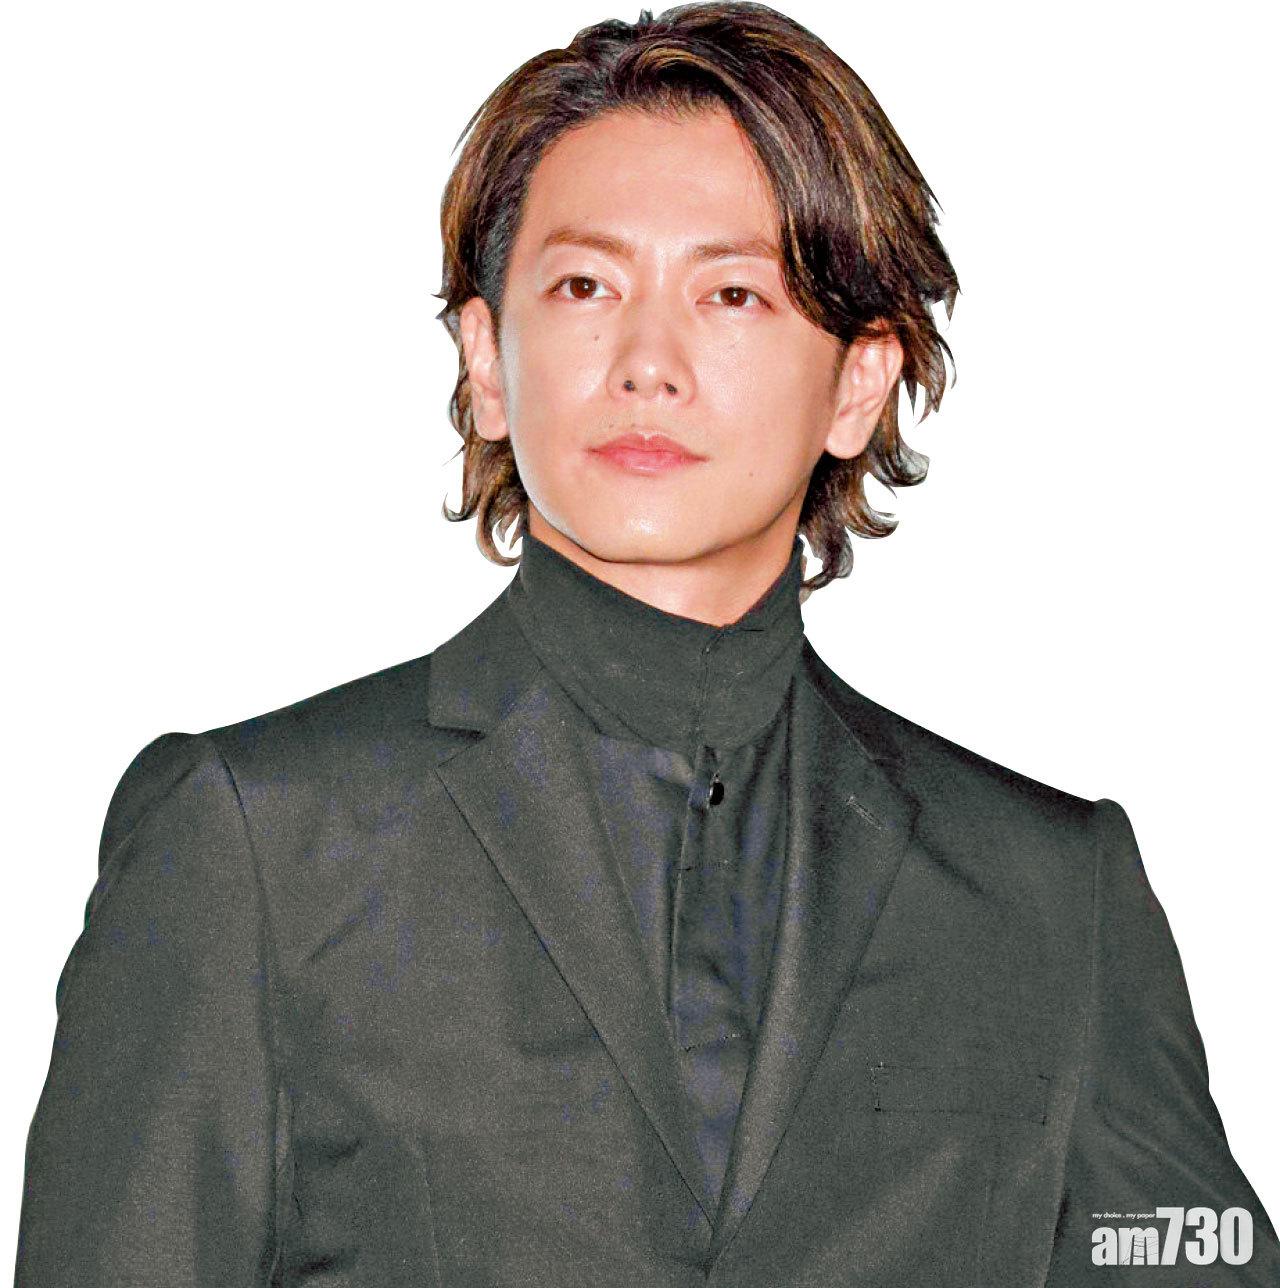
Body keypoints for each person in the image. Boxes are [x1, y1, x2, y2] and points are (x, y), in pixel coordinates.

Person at [14, 3, 1278, 1284]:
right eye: (585, 286)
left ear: (857, 382)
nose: (646, 362)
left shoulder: (1048, 897)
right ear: (486, 359)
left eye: (731, 293)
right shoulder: (254, 846)